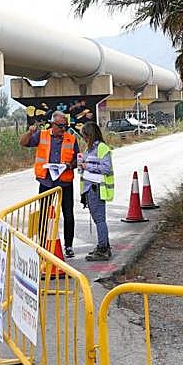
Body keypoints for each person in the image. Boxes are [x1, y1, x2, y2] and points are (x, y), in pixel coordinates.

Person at [19, 111, 81, 258]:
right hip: (46, 182)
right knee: (44, 215)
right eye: (60, 126)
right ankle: (43, 244)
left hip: (64, 183)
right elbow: (23, 143)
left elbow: (77, 159)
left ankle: (68, 245)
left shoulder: (71, 139)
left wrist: (70, 165)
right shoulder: (42, 135)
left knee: (68, 214)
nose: (63, 129)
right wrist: (29, 132)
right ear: (53, 124)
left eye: (65, 126)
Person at [79, 121, 115, 261]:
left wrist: (87, 166)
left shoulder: (101, 148)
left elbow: (106, 168)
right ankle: (104, 245)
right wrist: (82, 167)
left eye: (85, 136)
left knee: (99, 220)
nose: (84, 139)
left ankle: (102, 249)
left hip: (97, 188)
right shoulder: (88, 150)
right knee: (98, 219)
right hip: (90, 188)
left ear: (91, 135)